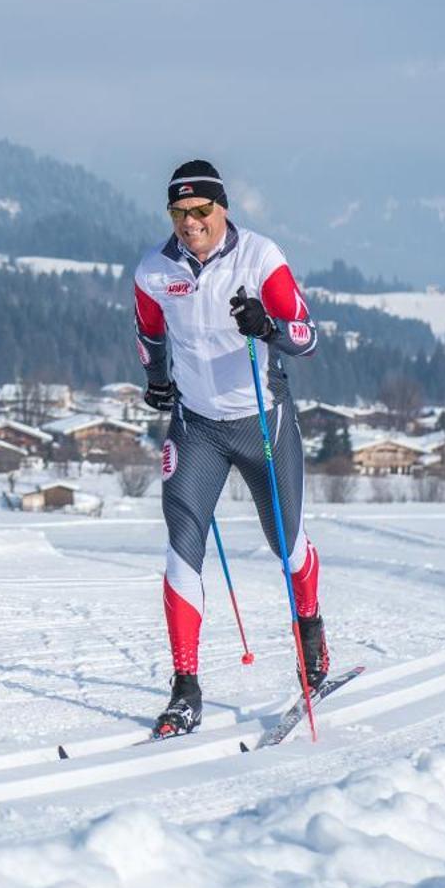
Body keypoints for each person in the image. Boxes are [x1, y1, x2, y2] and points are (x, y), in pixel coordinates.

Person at [133, 159, 329, 736]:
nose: (190, 223)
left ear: (223, 209)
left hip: (262, 423)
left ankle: (311, 635)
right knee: (180, 547)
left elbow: (307, 337)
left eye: (200, 211)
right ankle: (185, 687)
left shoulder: (260, 258)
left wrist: (266, 325)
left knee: (286, 543)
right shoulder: (153, 270)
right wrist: (156, 378)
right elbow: (148, 331)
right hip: (198, 429)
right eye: (179, 213)